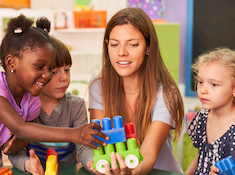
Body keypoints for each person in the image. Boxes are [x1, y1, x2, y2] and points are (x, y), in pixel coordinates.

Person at [0, 14, 108, 167]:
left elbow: (16, 140)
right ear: (11, 63)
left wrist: (9, 146)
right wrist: (74, 134)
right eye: (40, 67)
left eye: (50, 69)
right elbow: (21, 129)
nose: (47, 75)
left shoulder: (31, 103)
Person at [88, 7, 184, 175]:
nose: (122, 53)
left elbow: (148, 153)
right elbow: (101, 144)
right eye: (114, 44)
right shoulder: (98, 86)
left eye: (132, 44)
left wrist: (129, 172)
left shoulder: (166, 93)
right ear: (107, 45)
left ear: (148, 47)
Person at [8, 37, 94, 175]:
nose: (64, 78)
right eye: (54, 72)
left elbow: (84, 147)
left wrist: (92, 162)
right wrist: (28, 164)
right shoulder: (22, 106)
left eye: (67, 70)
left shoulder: (76, 105)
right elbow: (15, 151)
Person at [185, 47, 235, 175]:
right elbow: (200, 158)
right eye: (200, 82)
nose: (203, 90)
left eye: (213, 84)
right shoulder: (202, 116)